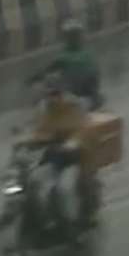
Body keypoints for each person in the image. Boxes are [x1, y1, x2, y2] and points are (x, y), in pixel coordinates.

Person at [28, 71, 99, 228]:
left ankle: (74, 222)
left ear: (62, 92)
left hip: (76, 157)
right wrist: (29, 142)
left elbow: (83, 128)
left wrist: (73, 142)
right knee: (35, 181)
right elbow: (40, 130)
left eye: (56, 94)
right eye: (49, 94)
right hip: (54, 156)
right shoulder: (44, 109)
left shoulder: (74, 106)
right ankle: (45, 218)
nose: (53, 98)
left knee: (65, 187)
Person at [37, 19, 101, 110]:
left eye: (74, 36)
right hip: (87, 100)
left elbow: (44, 72)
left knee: (50, 82)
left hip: (76, 101)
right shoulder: (88, 56)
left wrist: (33, 79)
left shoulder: (63, 58)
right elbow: (95, 81)